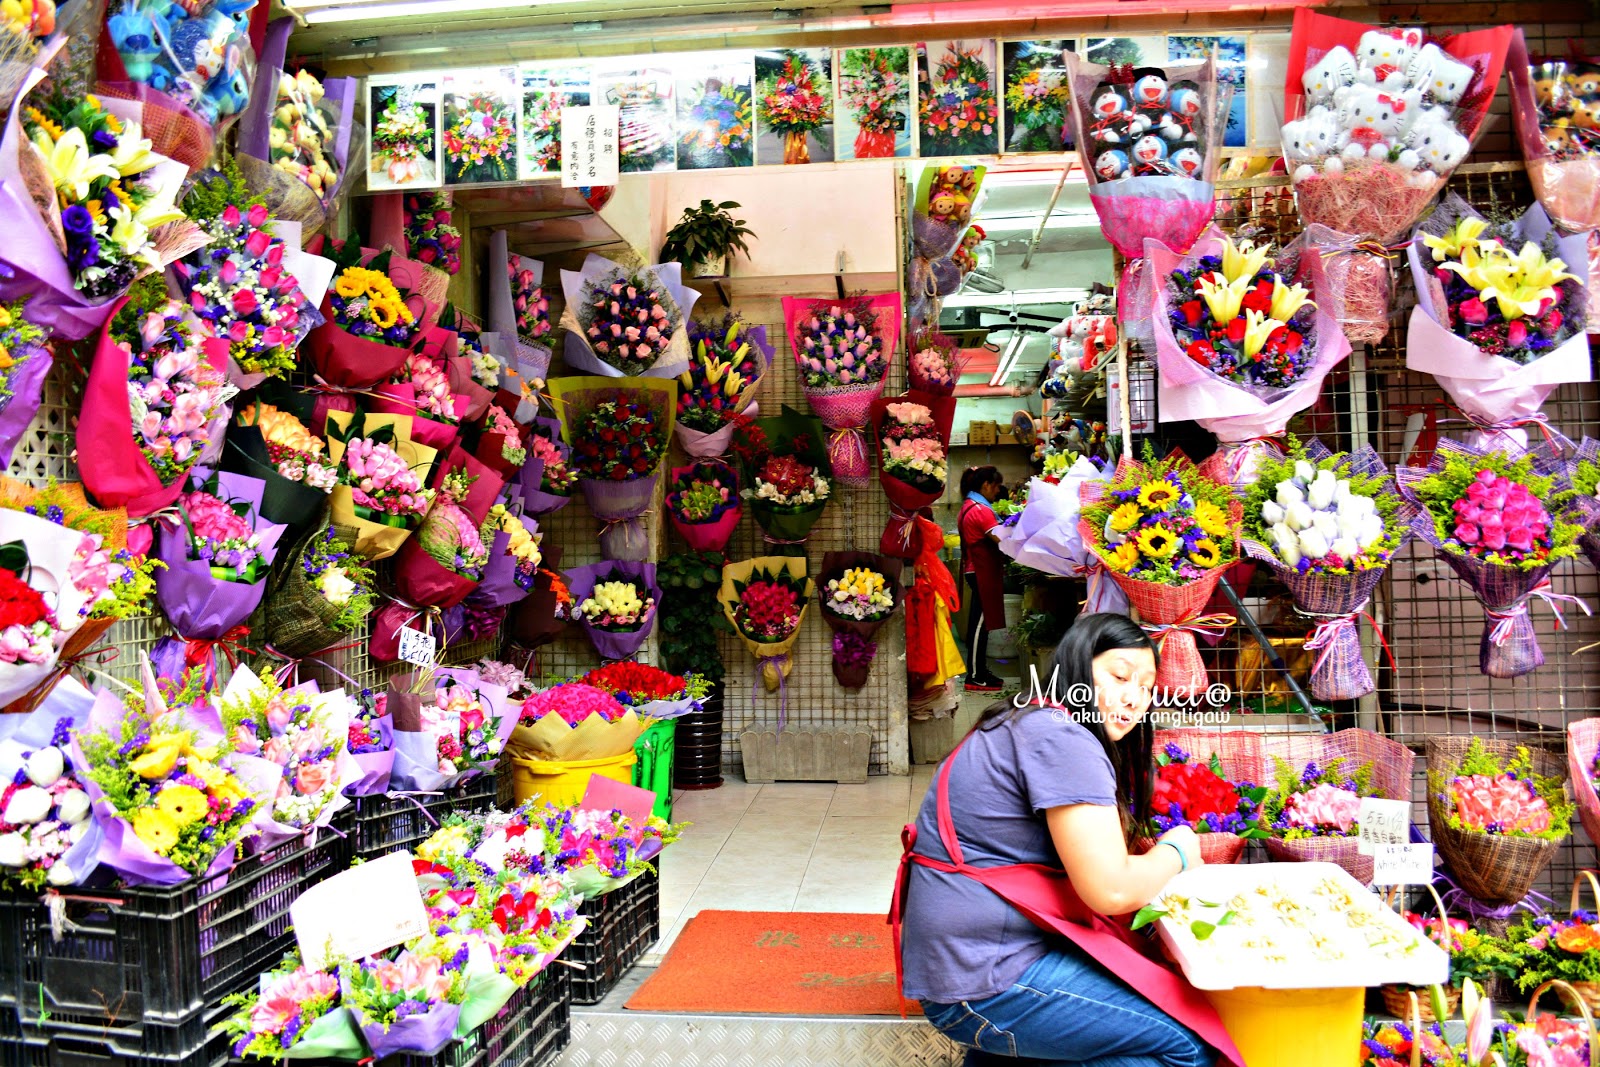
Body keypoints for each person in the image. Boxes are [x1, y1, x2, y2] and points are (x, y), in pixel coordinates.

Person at [891, 613, 1242, 1067]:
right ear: (1077, 668)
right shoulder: (1062, 737)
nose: (1134, 697)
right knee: (1187, 1048)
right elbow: (1110, 888)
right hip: (986, 979)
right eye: (1119, 676)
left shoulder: (1030, 718)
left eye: (1148, 687)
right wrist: (1178, 849)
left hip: (962, 965)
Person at [957, 465, 1008, 692]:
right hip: (980, 571)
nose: (997, 492)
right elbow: (1001, 539)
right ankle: (975, 676)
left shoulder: (970, 505)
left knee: (982, 624)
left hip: (976, 571)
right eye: (996, 487)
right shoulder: (980, 510)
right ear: (986, 485)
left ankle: (980, 670)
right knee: (979, 625)